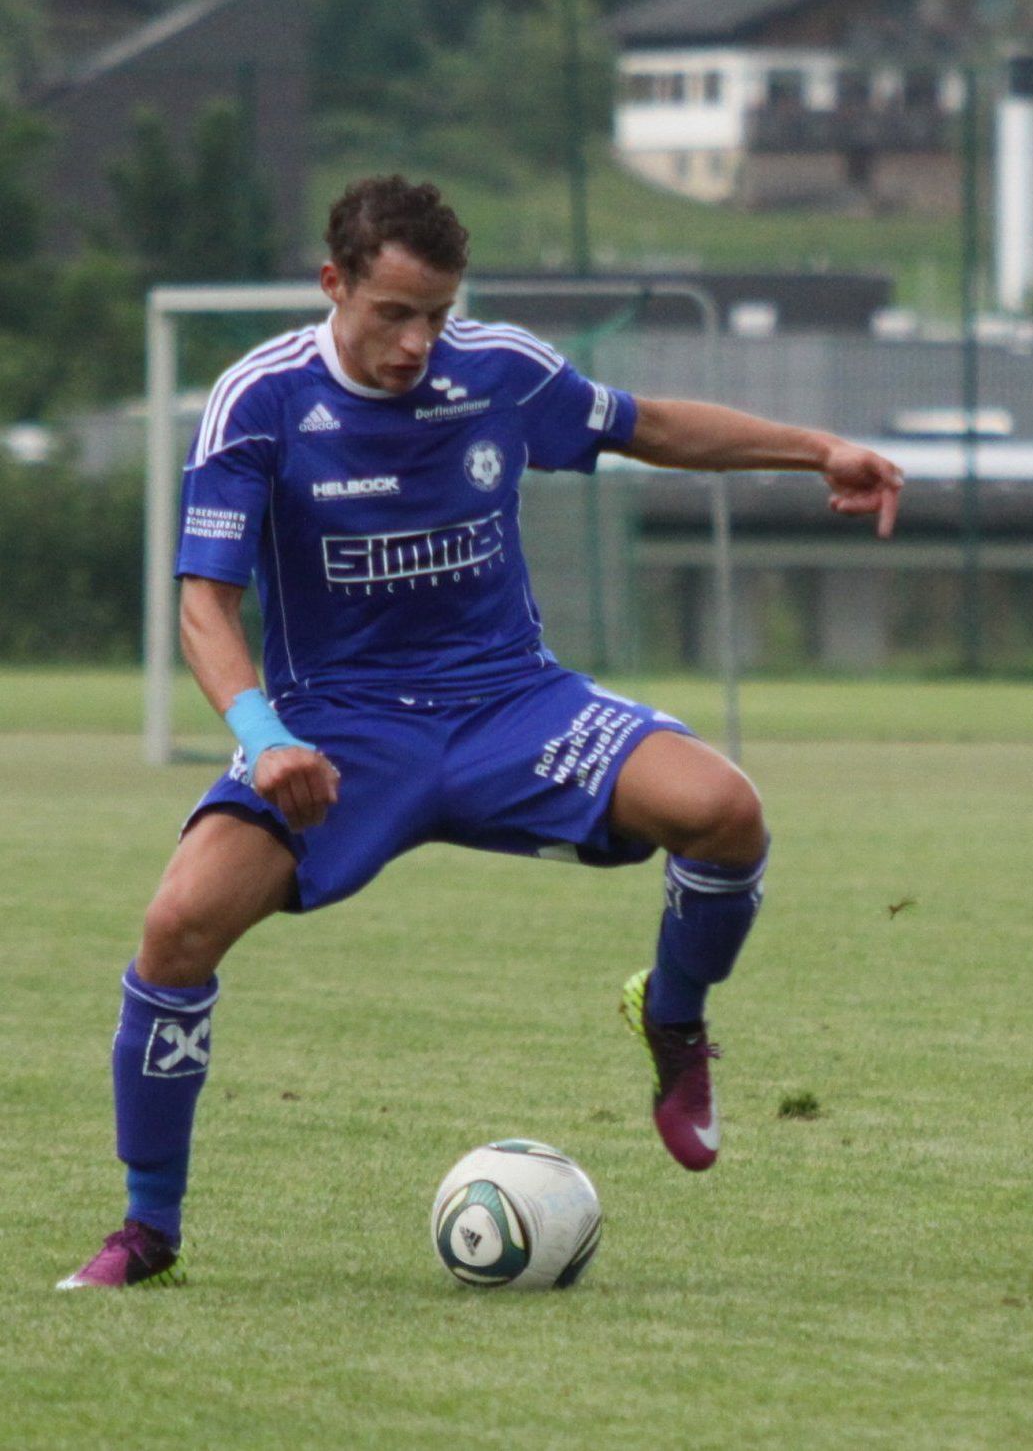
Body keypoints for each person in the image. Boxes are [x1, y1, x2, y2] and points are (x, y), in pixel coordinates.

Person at [57, 177, 905, 1290]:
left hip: (511, 704)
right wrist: (263, 735)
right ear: (335, 286)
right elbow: (204, 606)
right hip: (337, 733)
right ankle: (147, 1229)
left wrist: (814, 449)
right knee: (175, 930)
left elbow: (647, 426)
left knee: (726, 813)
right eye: (393, 314)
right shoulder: (258, 402)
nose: (417, 343)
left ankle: (672, 1016)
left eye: (436, 317)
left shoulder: (498, 370)